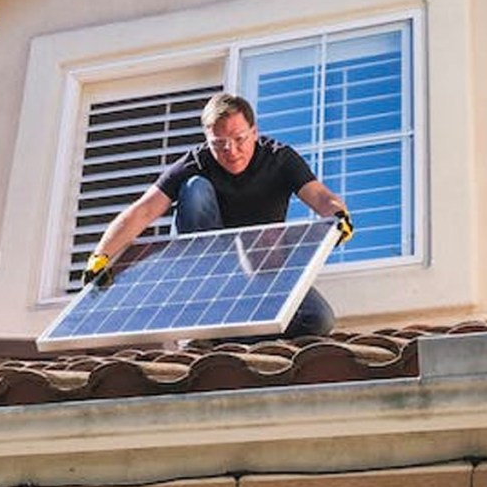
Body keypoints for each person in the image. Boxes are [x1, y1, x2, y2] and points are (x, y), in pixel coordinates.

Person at [81, 92, 354, 338]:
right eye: (219, 144)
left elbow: (319, 196)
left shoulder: (279, 159)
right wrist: (101, 255)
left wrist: (337, 216)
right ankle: (204, 307)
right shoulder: (195, 163)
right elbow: (144, 210)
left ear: (254, 132)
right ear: (207, 140)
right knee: (195, 188)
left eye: (239, 140)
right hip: (209, 268)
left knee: (317, 319)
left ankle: (225, 335)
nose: (231, 151)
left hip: (262, 266)